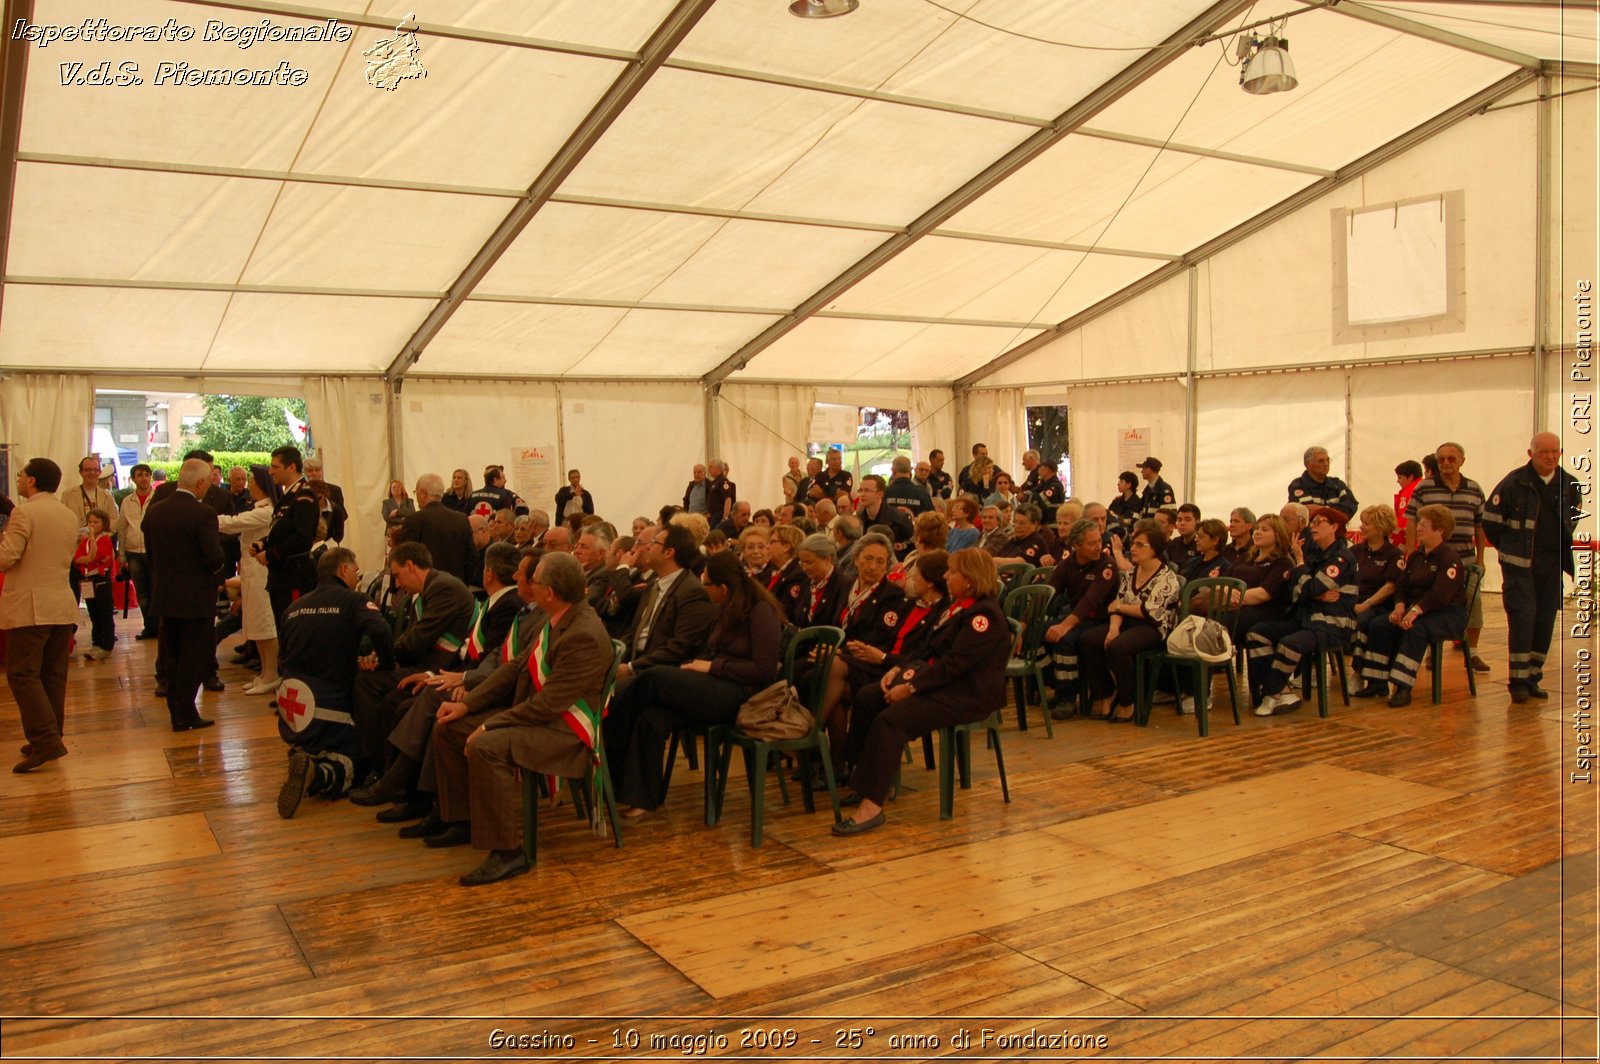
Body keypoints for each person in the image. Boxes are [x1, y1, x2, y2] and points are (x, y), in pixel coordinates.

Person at [429, 553, 612, 885]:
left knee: (486, 745)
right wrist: (468, 706)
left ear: (551, 592)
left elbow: (548, 705)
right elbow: (515, 668)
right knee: (449, 728)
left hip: (565, 730)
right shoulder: (555, 616)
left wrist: (490, 724)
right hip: (543, 715)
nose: (525, 584)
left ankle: (509, 852)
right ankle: (463, 820)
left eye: (535, 580)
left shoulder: (582, 633)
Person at [834, 548, 1009, 835]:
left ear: (970, 579)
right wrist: (896, 669)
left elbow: (953, 666)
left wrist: (911, 688)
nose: (945, 576)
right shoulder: (958, 606)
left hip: (966, 695)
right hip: (944, 685)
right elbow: (928, 650)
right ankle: (863, 779)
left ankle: (872, 806)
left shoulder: (984, 616)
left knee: (891, 720)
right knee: (869, 697)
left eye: (952, 572)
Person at [607, 550, 783, 818]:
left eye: (707, 584)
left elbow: (764, 670)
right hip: (710, 685)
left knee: (653, 677)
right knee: (650, 717)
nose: (704, 589)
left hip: (740, 695)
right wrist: (694, 666)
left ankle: (608, 740)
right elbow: (707, 651)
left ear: (722, 588)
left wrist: (713, 666)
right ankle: (639, 797)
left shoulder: (760, 611)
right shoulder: (724, 609)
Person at [274, 548, 396, 817]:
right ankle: (318, 774)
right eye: (355, 570)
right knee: (353, 765)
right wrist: (387, 664)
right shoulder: (353, 600)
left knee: (318, 744)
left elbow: (285, 658)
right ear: (343, 570)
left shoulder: (293, 608)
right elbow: (380, 630)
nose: (357, 575)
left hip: (291, 706)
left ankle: (306, 756)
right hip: (328, 706)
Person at [1483, 431, 1583, 703]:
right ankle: (1517, 682)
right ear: (1531, 454)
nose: (1551, 457)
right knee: (1523, 618)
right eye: (1544, 452)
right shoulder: (1514, 483)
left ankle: (1533, 677)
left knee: (1544, 620)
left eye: (1555, 451)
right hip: (1519, 567)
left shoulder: (1570, 485)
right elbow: (1490, 521)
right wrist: (1510, 548)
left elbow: (1572, 519)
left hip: (1551, 565)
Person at [1, 458, 79, 772]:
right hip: (61, 602)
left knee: (22, 674)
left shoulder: (25, 511)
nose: (18, 479)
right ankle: (49, 735)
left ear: (32, 481)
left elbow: (8, 556)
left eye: (21, 475)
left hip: (31, 605)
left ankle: (45, 739)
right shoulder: (67, 513)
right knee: (52, 675)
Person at [1245, 506, 1358, 717]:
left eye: (1319, 522)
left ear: (1334, 527)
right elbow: (1296, 590)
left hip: (1332, 623)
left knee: (1290, 644)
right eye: (1312, 523)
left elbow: (1309, 587)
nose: (1313, 527)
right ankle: (1281, 691)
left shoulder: (1341, 557)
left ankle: (1270, 694)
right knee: (1256, 633)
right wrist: (1313, 591)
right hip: (1307, 617)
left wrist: (1302, 571)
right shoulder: (1313, 553)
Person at [1353, 504, 1467, 708]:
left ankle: (1403, 687)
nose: (1418, 529)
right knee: (1380, 624)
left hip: (1446, 614)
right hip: (1417, 610)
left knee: (1415, 630)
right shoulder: (1415, 556)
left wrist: (1414, 611)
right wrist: (1399, 607)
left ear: (1439, 530)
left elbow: (1440, 595)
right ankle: (1377, 681)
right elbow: (1401, 586)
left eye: (1424, 525)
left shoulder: (1450, 559)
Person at [811, 533, 905, 773]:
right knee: (837, 693)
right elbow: (833, 623)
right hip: (841, 662)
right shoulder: (846, 586)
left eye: (880, 562)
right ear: (856, 559)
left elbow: (878, 638)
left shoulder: (891, 595)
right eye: (868, 559)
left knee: (833, 667)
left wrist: (835, 652)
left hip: (870, 663)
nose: (873, 566)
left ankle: (810, 736)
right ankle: (836, 763)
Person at [144, 458, 225, 733]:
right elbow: (213, 558)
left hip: (166, 594)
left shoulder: (156, 511)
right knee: (194, 655)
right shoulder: (203, 514)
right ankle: (185, 712)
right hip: (195, 597)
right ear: (201, 483)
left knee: (173, 653)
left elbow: (150, 555)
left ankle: (176, 710)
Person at [1077, 523, 1184, 723]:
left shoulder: (1166, 577)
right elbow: (1116, 603)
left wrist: (1119, 609)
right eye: (1133, 543)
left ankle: (1129, 701)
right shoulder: (1131, 573)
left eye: (1139, 545)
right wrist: (1113, 627)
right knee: (1088, 640)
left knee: (1118, 648)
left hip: (1154, 628)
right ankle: (1106, 693)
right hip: (1128, 623)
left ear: (1154, 549)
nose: (1132, 549)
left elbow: (1149, 611)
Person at [1405, 441, 1488, 671]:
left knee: (1473, 605)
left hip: (1466, 559)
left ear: (1462, 460)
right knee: (1431, 602)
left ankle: (1472, 653)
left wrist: (1481, 559)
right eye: (1441, 459)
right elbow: (1411, 520)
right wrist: (1411, 553)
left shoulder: (1474, 488)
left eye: (1451, 459)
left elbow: (1480, 526)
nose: (1446, 463)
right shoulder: (1424, 487)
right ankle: (1432, 652)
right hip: (1433, 560)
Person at [1042, 518, 1117, 718]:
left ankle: (1067, 698)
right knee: (1037, 632)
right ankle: (1058, 684)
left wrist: (1065, 626)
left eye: (1099, 541)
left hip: (1100, 620)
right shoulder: (1067, 565)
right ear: (1076, 545)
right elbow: (1048, 593)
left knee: (1065, 639)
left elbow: (1090, 601)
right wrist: (1024, 623)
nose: (1098, 547)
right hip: (1076, 617)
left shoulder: (1106, 564)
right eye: (1092, 543)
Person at [217, 465, 281, 695]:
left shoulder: (266, 511)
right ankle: (265, 672)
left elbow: (233, 523)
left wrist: (205, 518)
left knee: (265, 624)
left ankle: (272, 673)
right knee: (255, 623)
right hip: (251, 572)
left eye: (252, 480)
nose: (249, 484)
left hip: (261, 573)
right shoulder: (260, 508)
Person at [1349, 505, 1405, 699]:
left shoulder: (1394, 554)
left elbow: (1391, 586)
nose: (1362, 527)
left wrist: (1367, 604)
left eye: (1367, 523)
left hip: (1380, 604)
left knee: (1366, 622)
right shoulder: (1355, 551)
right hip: (1354, 601)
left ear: (1380, 527)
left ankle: (1363, 674)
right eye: (1362, 522)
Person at [260, 445, 320, 624]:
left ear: (292, 467)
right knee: (284, 631)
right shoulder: (288, 495)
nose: (271, 472)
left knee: (294, 630)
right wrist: (262, 544)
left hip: (294, 575)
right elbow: (282, 530)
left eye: (275, 467)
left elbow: (302, 538)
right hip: (282, 577)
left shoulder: (304, 495)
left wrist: (270, 554)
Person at [394, 473, 476, 586]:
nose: (416, 497)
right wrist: (462, 583)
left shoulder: (414, 520)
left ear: (423, 493)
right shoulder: (462, 519)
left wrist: (395, 587)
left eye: (416, 492)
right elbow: (472, 558)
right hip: (457, 588)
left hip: (426, 590)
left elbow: (403, 558)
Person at [63, 455, 118, 604]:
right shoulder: (69, 494)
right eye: (88, 470)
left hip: (101, 553)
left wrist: (100, 534)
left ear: (100, 473)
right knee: (73, 594)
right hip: (77, 549)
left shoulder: (107, 496)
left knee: (101, 600)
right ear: (81, 472)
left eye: (95, 470)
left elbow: (114, 520)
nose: (92, 473)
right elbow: (64, 520)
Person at [115, 463, 160, 640]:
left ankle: (159, 625)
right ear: (133, 479)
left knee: (157, 589)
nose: (143, 478)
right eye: (139, 475)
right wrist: (122, 555)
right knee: (142, 592)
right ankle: (149, 626)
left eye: (146, 475)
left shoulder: (157, 498)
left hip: (154, 551)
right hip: (134, 551)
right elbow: (122, 529)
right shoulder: (127, 501)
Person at [74, 508, 117, 660]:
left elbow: (97, 555)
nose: (92, 525)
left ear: (103, 523)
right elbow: (78, 558)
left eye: (96, 522)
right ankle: (96, 643)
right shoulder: (83, 541)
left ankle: (107, 644)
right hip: (87, 579)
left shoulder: (105, 539)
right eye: (90, 522)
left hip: (101, 580)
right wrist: (87, 559)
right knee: (94, 614)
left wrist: (91, 550)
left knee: (104, 612)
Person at [1287, 445, 1358, 516]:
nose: (1326, 464)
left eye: (1328, 460)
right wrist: (1334, 512)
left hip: (1336, 527)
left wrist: (1323, 509)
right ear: (1308, 464)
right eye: (1321, 461)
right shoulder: (1298, 486)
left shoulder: (1338, 485)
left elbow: (1351, 506)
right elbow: (1301, 513)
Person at [303, 456, 347, 543]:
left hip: (330, 540)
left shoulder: (335, 490)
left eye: (317, 470)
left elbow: (342, 514)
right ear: (305, 473)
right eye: (310, 471)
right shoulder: (301, 491)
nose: (314, 473)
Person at [1179, 517, 1232, 584]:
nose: (1196, 540)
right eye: (1196, 536)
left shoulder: (1224, 567)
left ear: (1215, 540)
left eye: (1201, 536)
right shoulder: (1191, 562)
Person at [1392, 459, 1424, 546]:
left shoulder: (1408, 492)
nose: (1397, 481)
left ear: (1410, 477)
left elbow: (1404, 521)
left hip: (1412, 541)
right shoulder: (1426, 487)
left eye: (1400, 477)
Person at [705, 459, 735, 523]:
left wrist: (725, 517)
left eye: (711, 467)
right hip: (712, 516)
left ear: (718, 468)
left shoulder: (723, 481)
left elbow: (728, 499)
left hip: (719, 516)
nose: (708, 469)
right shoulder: (714, 482)